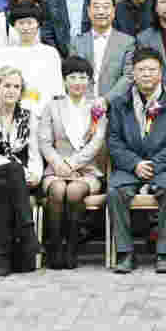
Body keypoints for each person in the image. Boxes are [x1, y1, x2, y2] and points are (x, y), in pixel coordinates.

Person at [107, 48, 166, 274]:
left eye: (152, 69)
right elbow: (113, 140)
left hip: (164, 167)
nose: (146, 74)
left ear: (161, 73)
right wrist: (135, 164)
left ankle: (163, 254)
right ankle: (125, 253)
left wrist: (154, 165)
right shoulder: (119, 103)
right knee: (114, 190)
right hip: (130, 166)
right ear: (133, 73)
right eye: (141, 69)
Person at [38, 56, 108, 269]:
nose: (78, 82)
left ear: (89, 81)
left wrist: (72, 165)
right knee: (58, 189)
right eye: (73, 77)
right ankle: (55, 248)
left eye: (83, 77)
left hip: (88, 171)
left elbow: (97, 142)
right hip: (55, 169)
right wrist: (59, 164)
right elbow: (44, 141)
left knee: (75, 191)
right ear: (64, 80)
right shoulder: (52, 106)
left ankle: (72, 249)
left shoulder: (97, 107)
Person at [0, 66, 45, 275]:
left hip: (16, 181)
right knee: (12, 171)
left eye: (16, 86)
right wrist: (21, 171)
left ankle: (3, 257)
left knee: (7, 187)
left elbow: (35, 154)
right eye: (7, 86)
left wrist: (35, 174)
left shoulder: (30, 119)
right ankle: (28, 232)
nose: (11, 90)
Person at [0, 4, 64, 108]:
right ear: (14, 25)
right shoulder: (3, 54)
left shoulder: (50, 53)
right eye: (21, 23)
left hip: (44, 111)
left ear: (38, 24)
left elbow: (57, 89)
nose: (25, 27)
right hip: (12, 111)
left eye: (30, 23)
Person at [71, 0, 137, 99]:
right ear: (88, 11)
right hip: (83, 102)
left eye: (106, 7)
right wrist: (89, 101)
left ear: (114, 11)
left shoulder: (127, 42)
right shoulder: (77, 42)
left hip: (115, 104)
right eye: (96, 7)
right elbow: (72, 74)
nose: (101, 12)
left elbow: (128, 76)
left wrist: (106, 100)